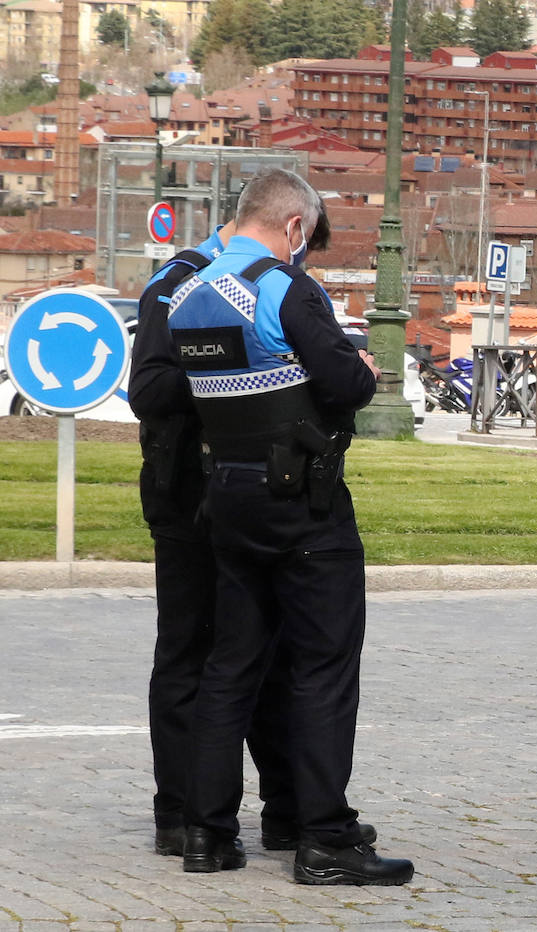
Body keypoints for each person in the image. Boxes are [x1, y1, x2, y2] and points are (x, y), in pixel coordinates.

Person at [163, 168, 412, 885]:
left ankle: (207, 833)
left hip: (227, 498)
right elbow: (349, 385)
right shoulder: (284, 287)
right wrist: (356, 365)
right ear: (295, 225)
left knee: (231, 665)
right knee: (322, 666)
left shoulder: (188, 295)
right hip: (301, 502)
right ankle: (324, 838)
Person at [129, 218, 378, 860]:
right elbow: (149, 389)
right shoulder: (181, 285)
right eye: (305, 240)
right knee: (196, 654)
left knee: (259, 659)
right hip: (190, 493)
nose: (301, 255)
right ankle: (184, 813)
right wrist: (240, 379)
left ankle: (279, 810)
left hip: (230, 488)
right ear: (288, 227)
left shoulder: (268, 285)